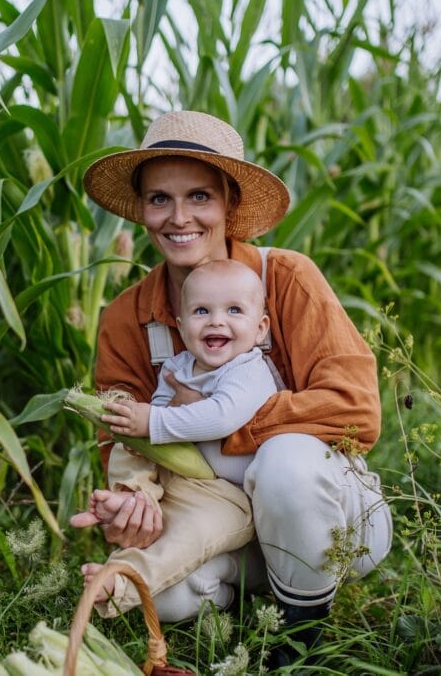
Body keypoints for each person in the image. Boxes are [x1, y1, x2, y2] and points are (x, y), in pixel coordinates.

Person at [73, 110, 393, 663]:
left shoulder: (286, 278)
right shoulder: (126, 319)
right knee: (165, 598)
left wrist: (227, 424)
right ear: (142, 210)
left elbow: (355, 410)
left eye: (199, 197)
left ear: (228, 205)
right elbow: (124, 439)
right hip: (219, 519)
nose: (179, 218)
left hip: (332, 518)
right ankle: (269, 594)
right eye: (159, 199)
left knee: (286, 459)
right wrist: (134, 502)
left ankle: (299, 639)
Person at [70, 259, 277, 620]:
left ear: (260, 329)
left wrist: (154, 419)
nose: (216, 320)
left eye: (233, 310)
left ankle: (120, 581)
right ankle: (132, 497)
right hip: (181, 479)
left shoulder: (249, 370)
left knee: (187, 535)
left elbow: (221, 416)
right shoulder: (177, 367)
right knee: (129, 440)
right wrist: (144, 431)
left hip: (230, 498)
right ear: (181, 327)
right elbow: (156, 438)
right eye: (201, 311)